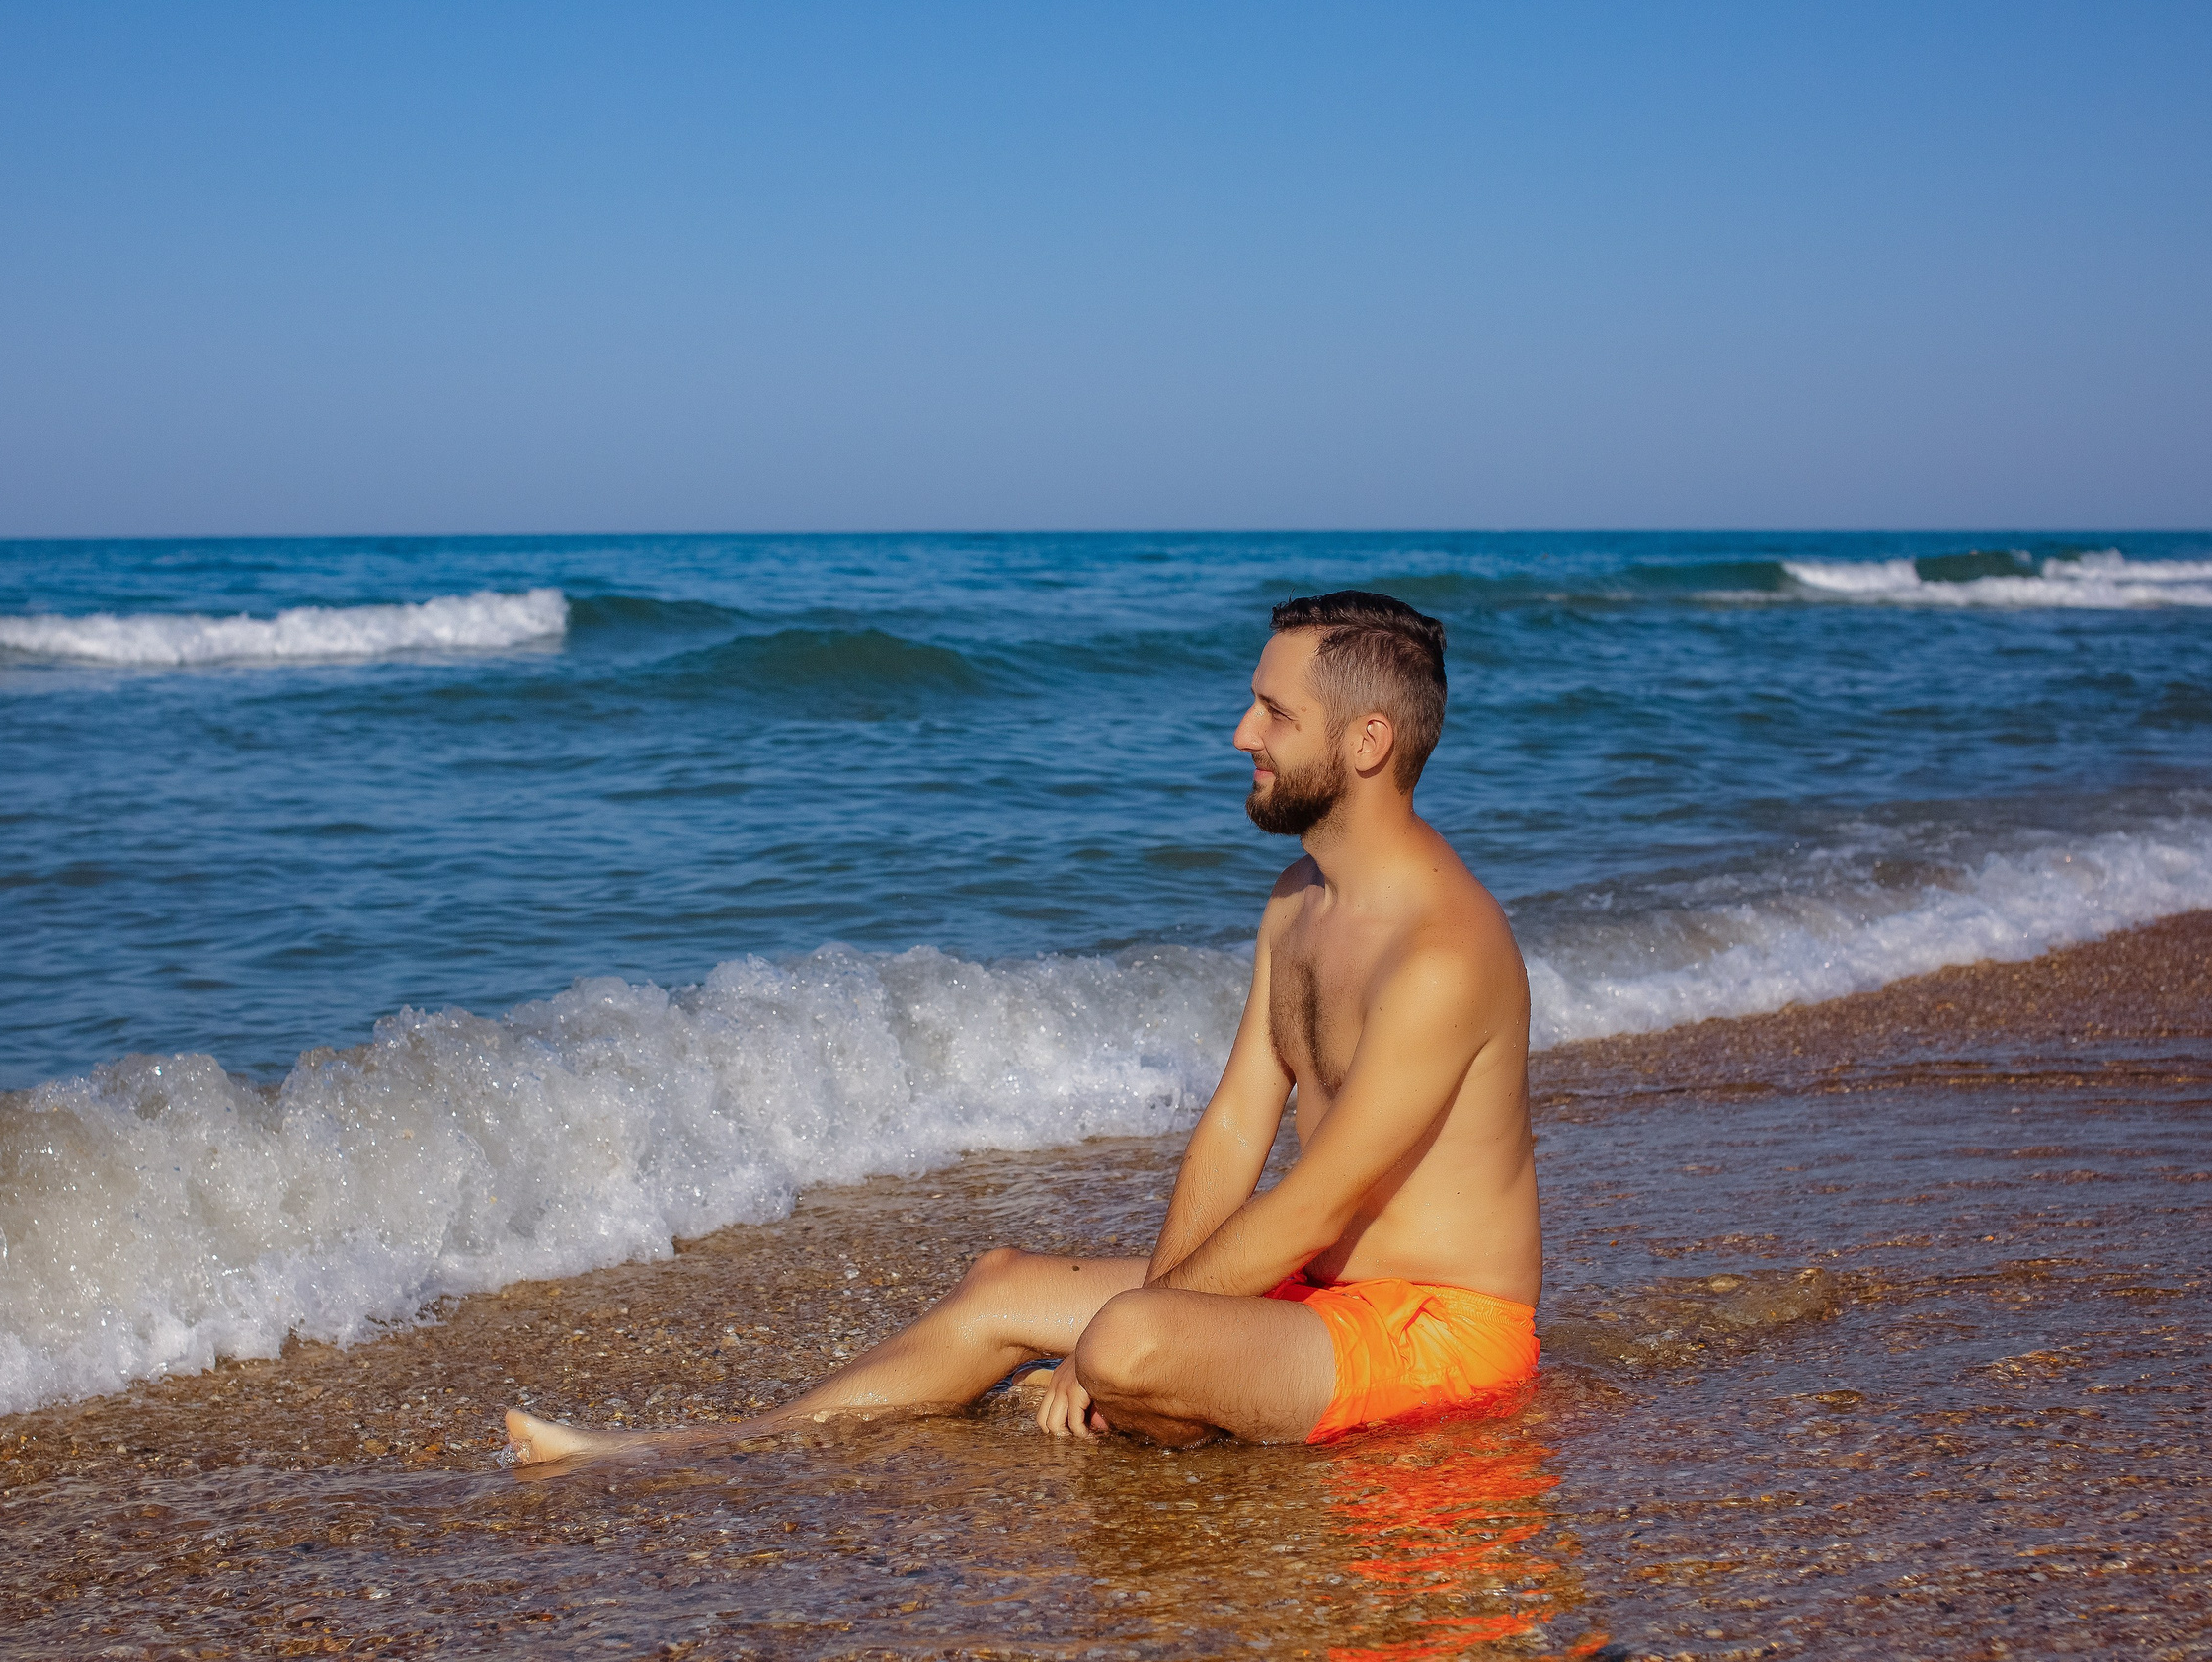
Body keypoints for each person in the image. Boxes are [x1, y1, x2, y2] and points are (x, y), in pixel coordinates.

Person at [506, 590, 1540, 1462]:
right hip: (1318, 1291)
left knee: (1131, 1344)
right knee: (1002, 1287)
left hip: (1436, 1329)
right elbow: (1235, 1122)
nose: (1241, 733)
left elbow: (1319, 1201)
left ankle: (1150, 1390)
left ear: (1367, 742)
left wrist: (1121, 1340)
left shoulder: (1442, 954)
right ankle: (697, 1449)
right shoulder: (1296, 902)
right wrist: (1159, 1307)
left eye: (1274, 711)